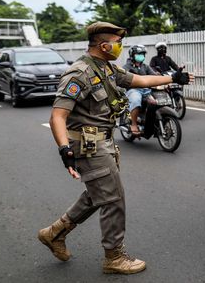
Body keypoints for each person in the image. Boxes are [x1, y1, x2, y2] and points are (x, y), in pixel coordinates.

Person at [37, 21, 192, 275]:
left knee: (98, 194)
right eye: (118, 43)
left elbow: (139, 79)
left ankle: (54, 234)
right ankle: (114, 256)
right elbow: (58, 116)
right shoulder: (79, 73)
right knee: (113, 199)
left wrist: (173, 78)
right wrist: (64, 150)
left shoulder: (107, 68)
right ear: (104, 45)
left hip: (104, 141)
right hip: (88, 145)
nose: (121, 47)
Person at [123, 44, 159, 135]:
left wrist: (162, 79)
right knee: (136, 100)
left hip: (146, 90)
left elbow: (154, 76)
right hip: (133, 90)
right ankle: (134, 124)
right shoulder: (127, 67)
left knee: (156, 102)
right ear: (132, 55)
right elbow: (123, 76)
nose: (141, 56)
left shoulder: (145, 66)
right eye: (139, 54)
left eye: (143, 54)